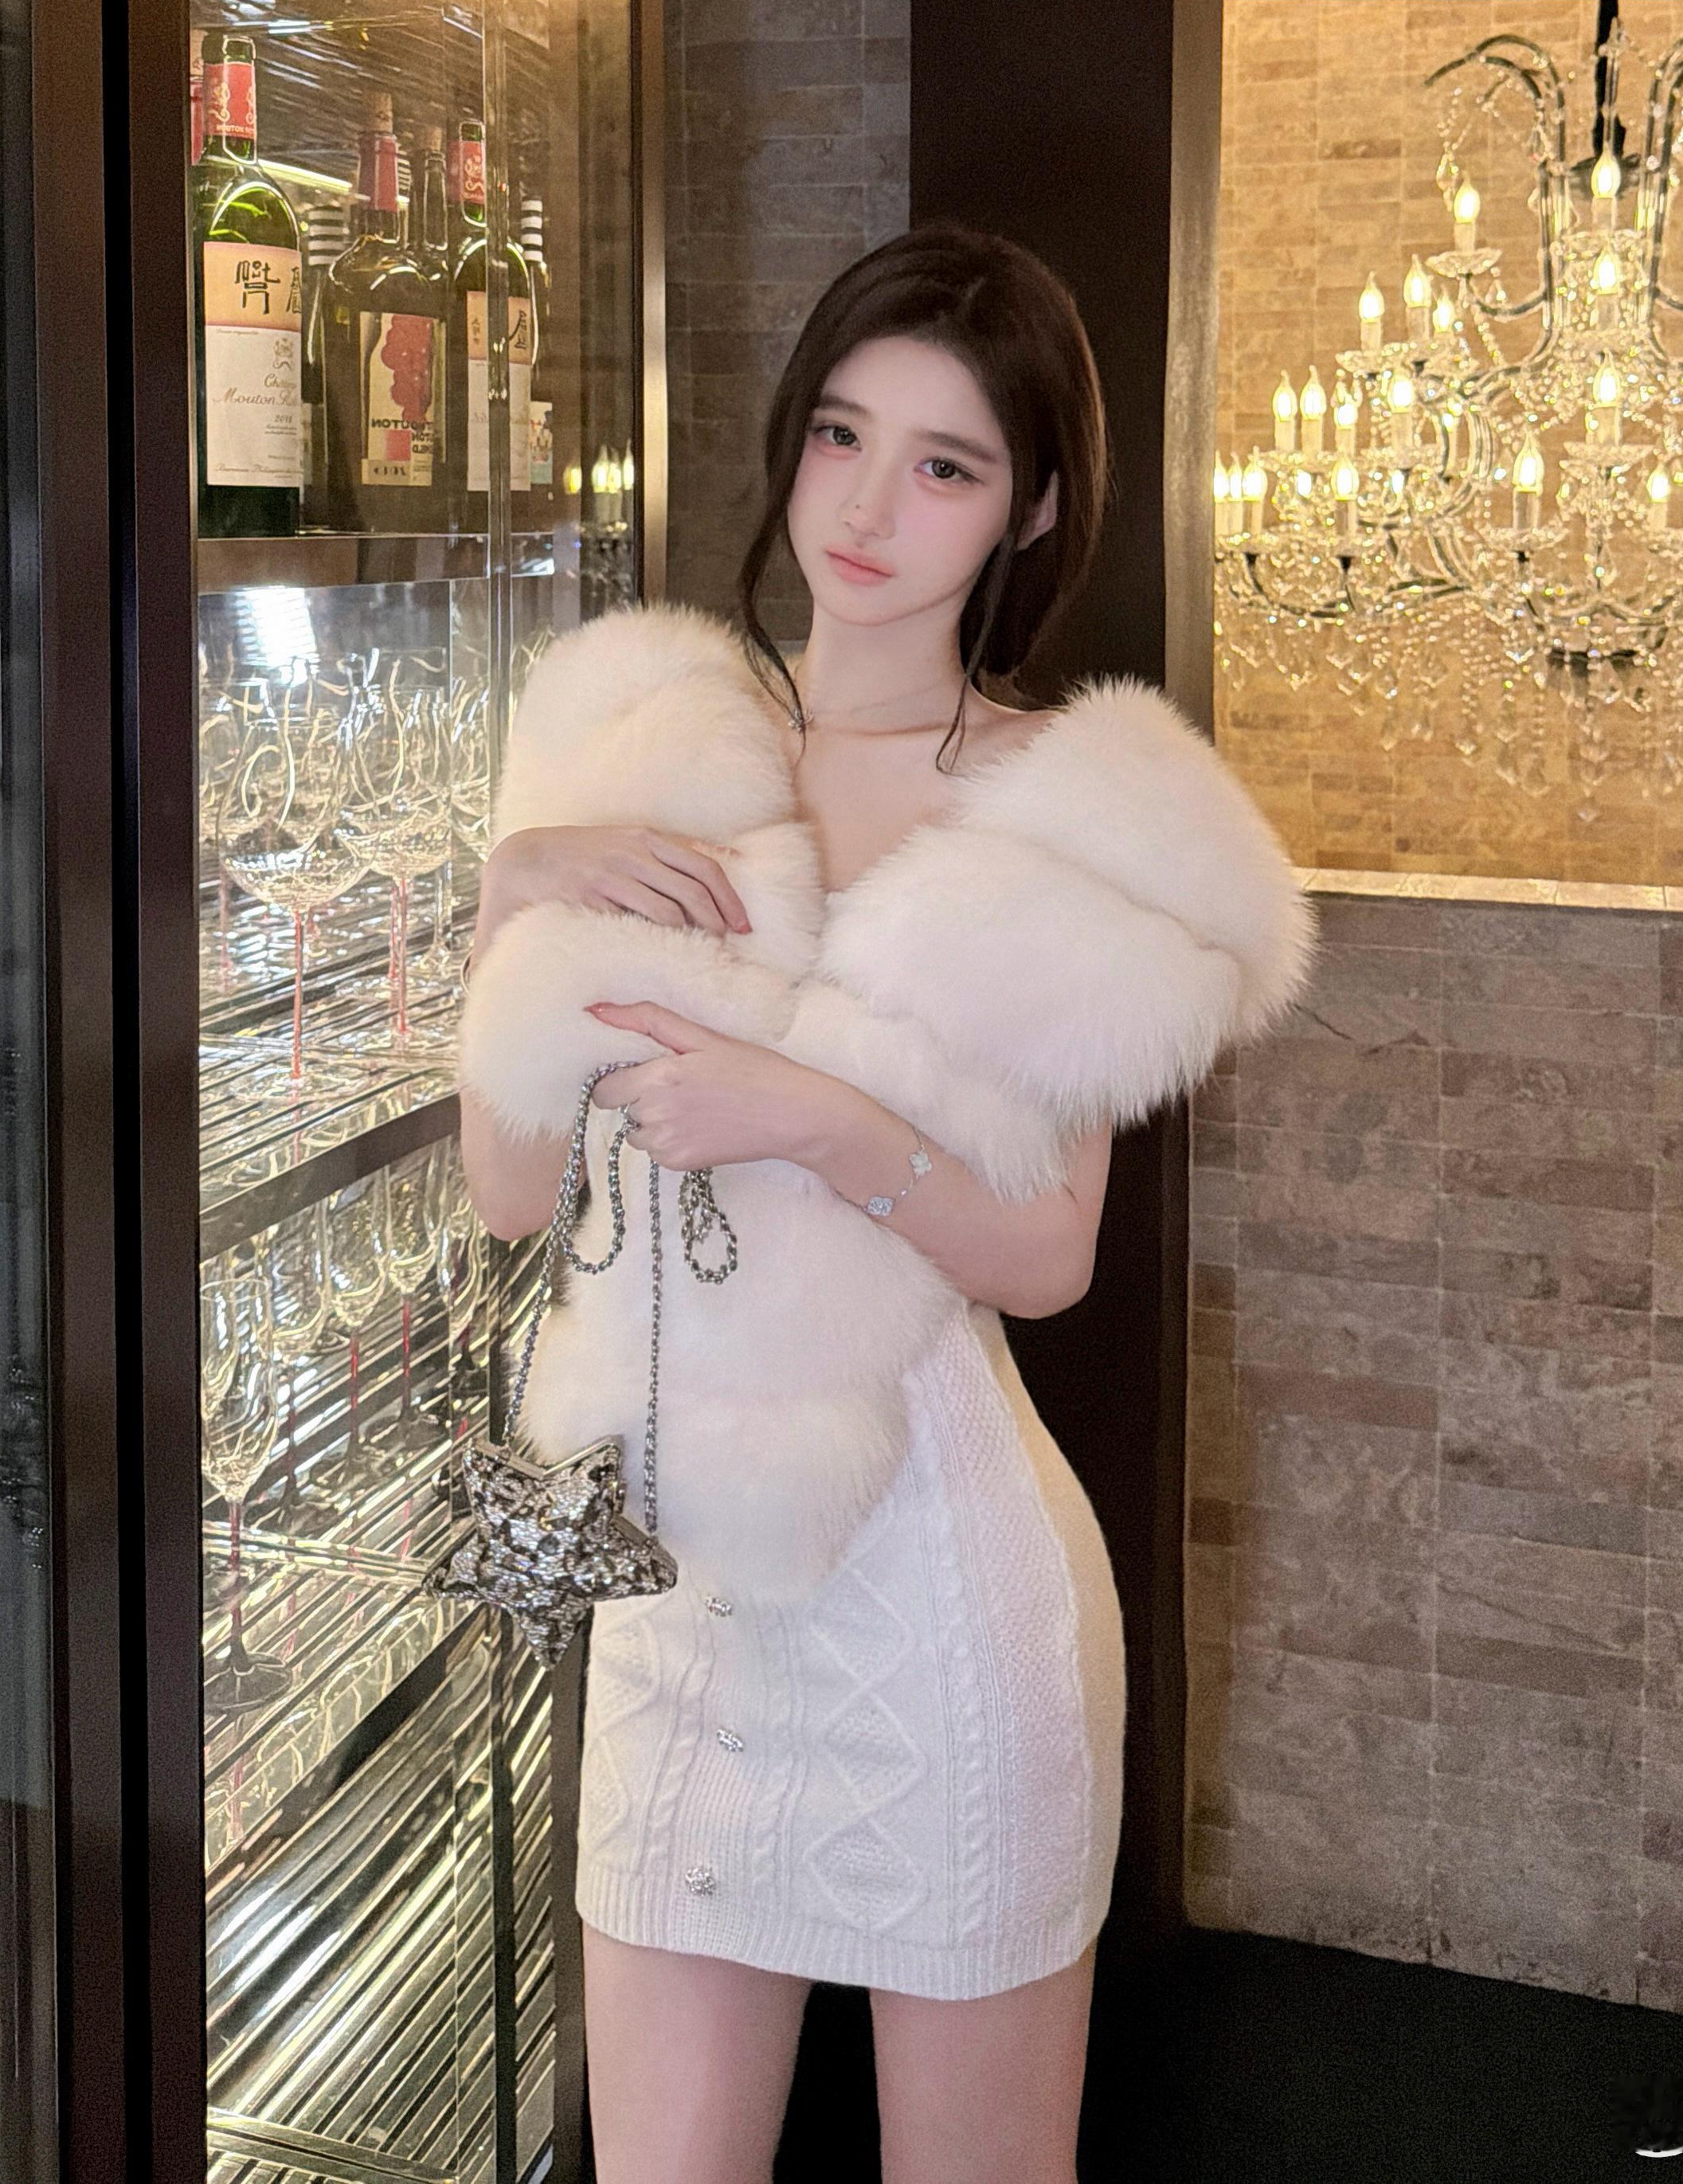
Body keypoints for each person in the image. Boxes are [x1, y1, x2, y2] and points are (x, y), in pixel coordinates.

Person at [458, 227, 1305, 2184]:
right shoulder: (638, 742)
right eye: (842, 434)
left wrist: (813, 1119)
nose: (866, 507)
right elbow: (510, 1198)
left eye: (945, 465)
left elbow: (1051, 1257)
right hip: (678, 1597)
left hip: (943, 1598)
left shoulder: (1074, 816)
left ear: (1033, 510)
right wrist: (511, 896)